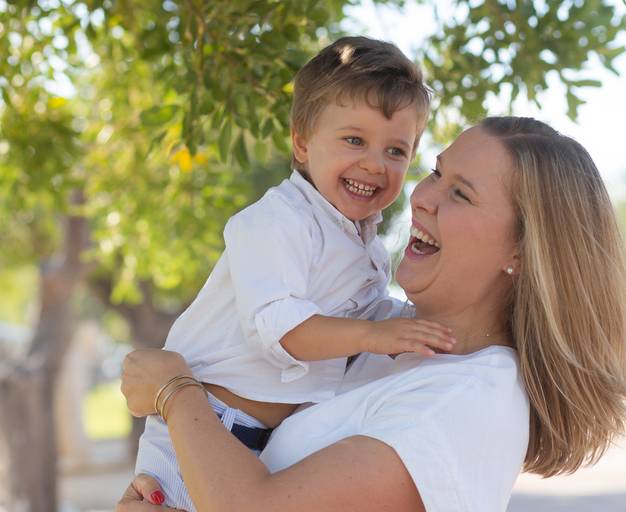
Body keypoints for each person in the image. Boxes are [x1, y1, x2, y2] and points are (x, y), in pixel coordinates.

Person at [120, 116, 626, 511]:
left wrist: (174, 391)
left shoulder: (468, 398)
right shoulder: (381, 338)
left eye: (461, 194)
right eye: (436, 172)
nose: (423, 198)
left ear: (522, 252)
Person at [133, 36, 456, 511]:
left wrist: (419, 325)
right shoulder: (276, 221)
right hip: (202, 428)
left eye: (396, 151)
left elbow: (365, 322)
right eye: (354, 140)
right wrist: (377, 336)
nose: (374, 164)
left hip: (263, 448)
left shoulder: (365, 244)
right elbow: (283, 330)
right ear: (302, 142)